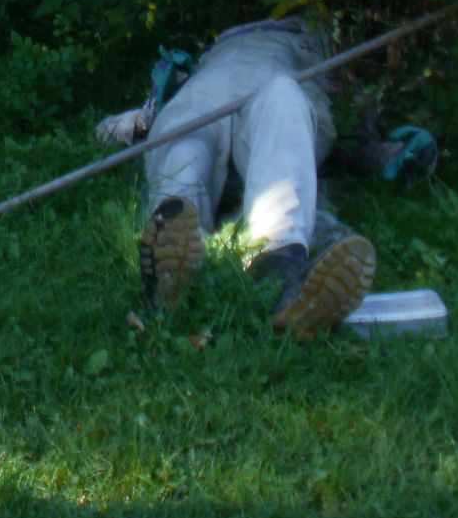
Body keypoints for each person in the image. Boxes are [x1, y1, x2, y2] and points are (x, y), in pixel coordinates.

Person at [95, 19, 378, 338]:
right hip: (210, 85)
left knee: (280, 105)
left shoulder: (320, 40)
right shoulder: (219, 45)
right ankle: (173, 258)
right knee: (187, 136)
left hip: (276, 81)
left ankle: (278, 266)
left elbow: (356, 122)